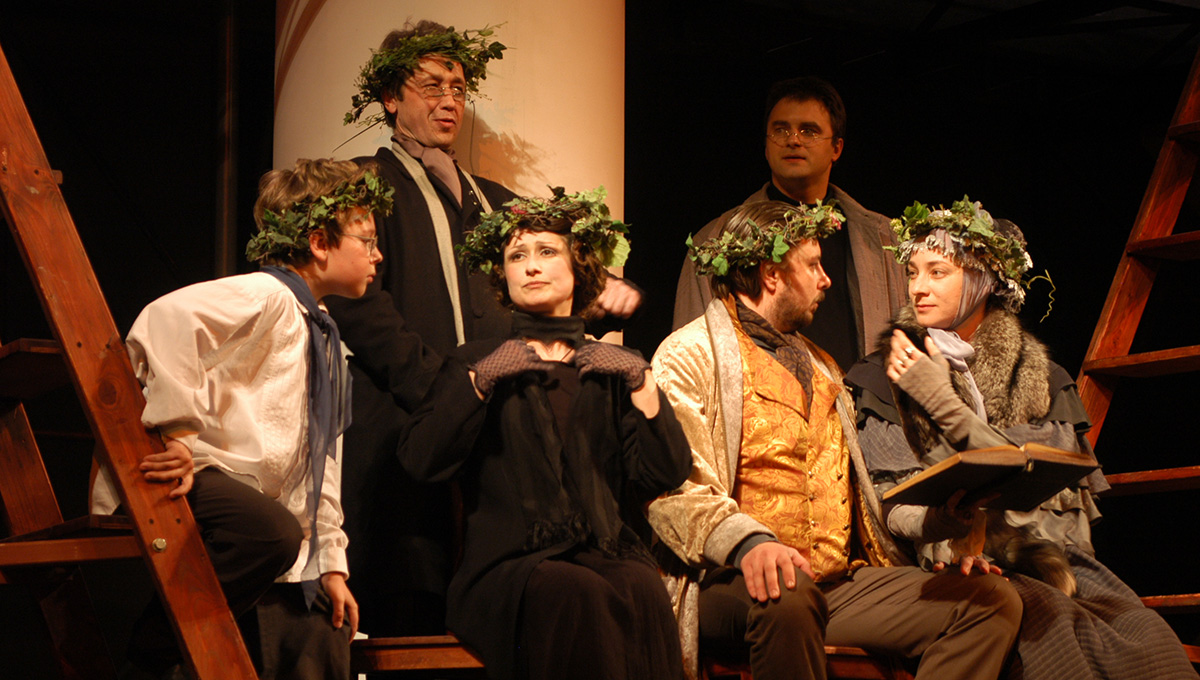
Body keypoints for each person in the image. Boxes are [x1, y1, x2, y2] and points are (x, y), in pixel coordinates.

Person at [330, 20, 643, 636]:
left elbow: (545, 286)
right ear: (390, 97)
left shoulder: (495, 201)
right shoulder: (364, 187)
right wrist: (445, 390)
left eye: (458, 87)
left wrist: (599, 297)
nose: (449, 100)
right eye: (431, 86)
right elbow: (359, 306)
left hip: (491, 440)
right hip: (402, 427)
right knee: (411, 600)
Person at [649, 200, 1022, 680]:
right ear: (771, 275)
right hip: (731, 579)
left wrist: (940, 523)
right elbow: (675, 487)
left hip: (835, 584)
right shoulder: (689, 355)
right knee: (787, 593)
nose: (826, 280)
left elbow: (865, 500)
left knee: (990, 601)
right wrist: (749, 545)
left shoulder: (824, 366)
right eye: (813, 266)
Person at [844, 197, 1200, 680]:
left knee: (1144, 635)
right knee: (1051, 638)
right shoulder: (884, 376)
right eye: (912, 273)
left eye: (938, 272)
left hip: (1046, 555)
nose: (918, 288)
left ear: (984, 280)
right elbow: (896, 499)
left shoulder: (1038, 377)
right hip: (945, 562)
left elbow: (1032, 477)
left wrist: (948, 409)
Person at [91, 159, 391, 679]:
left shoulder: (322, 333)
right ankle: (152, 653)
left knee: (313, 603)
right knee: (270, 534)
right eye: (367, 241)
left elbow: (318, 464)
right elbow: (167, 319)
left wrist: (330, 564)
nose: (377, 255)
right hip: (190, 473)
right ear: (319, 243)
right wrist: (178, 433)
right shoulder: (267, 295)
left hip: (247, 497)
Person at [397, 187, 691, 680]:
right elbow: (420, 459)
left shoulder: (609, 368)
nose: (531, 267)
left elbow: (666, 472)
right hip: (509, 567)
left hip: (602, 551)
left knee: (643, 586)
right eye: (517, 256)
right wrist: (481, 381)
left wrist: (641, 382)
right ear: (503, 274)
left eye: (546, 252)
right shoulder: (475, 362)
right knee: (576, 591)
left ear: (579, 267)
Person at [673, 76, 905, 371]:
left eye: (809, 131)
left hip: (859, 396)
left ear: (836, 148)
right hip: (757, 396)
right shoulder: (716, 239)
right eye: (780, 130)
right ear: (766, 145)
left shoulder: (884, 239)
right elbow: (689, 356)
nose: (793, 140)